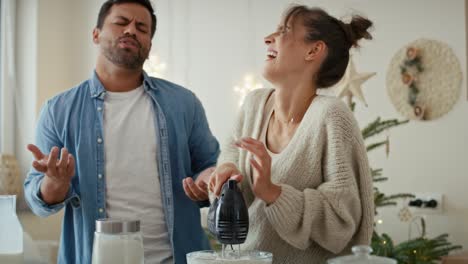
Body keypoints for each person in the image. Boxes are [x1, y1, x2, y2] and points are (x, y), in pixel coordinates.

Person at [23, 0, 219, 263]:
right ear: (96, 34)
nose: (131, 30)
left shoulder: (184, 103)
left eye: (142, 27)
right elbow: (39, 202)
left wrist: (210, 181)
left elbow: (208, 165)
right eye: (120, 22)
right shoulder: (58, 110)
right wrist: (56, 183)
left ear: (149, 44)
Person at [203, 5, 374, 264]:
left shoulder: (332, 116)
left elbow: (342, 220)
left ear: (313, 50)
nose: (268, 38)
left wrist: (273, 192)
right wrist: (227, 171)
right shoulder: (253, 104)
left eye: (283, 30)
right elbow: (231, 152)